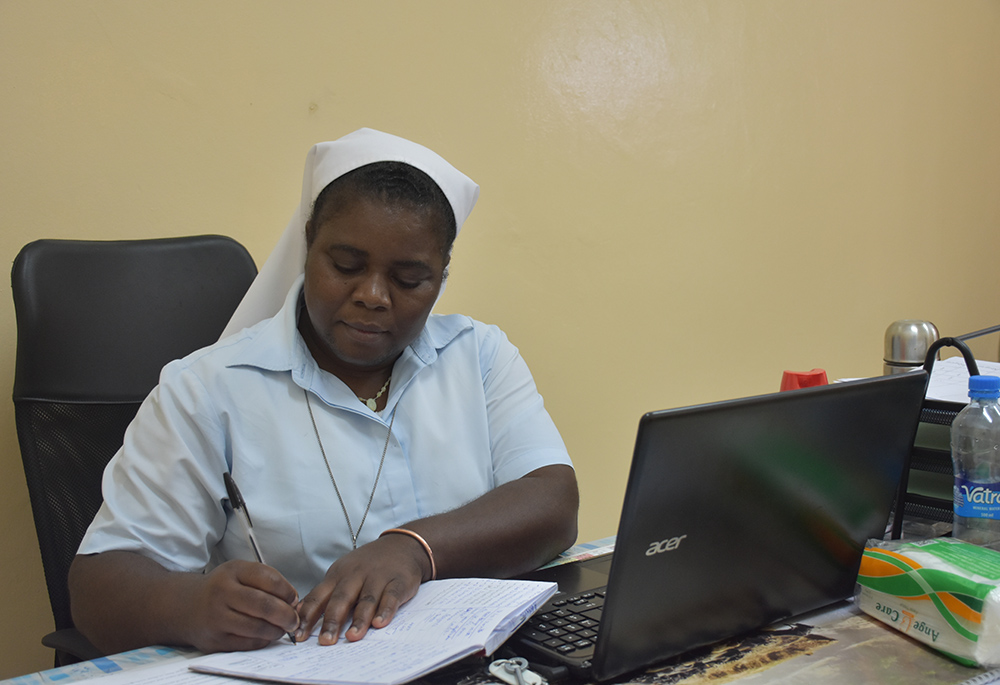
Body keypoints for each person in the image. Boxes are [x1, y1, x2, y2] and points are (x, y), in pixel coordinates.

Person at [68, 128, 579, 655]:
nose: (373, 296)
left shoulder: (479, 356)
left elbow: (553, 500)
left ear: (443, 273)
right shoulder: (207, 390)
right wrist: (187, 606)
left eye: (409, 279)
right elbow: (98, 585)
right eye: (347, 266)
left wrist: (415, 550)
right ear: (309, 242)